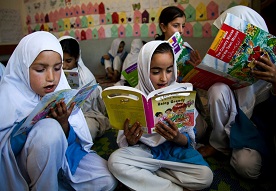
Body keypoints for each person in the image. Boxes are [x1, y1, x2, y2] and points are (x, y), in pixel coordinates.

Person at [0, 31, 118, 191]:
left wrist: (63, 124)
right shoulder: (8, 96)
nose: (51, 78)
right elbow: (5, 151)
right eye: (40, 70)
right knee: (49, 130)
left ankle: (57, 183)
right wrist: (34, 127)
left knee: (107, 180)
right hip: (23, 167)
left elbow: (73, 142)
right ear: (23, 67)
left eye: (57, 68)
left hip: (64, 157)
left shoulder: (61, 89)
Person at [196, 5, 276, 182]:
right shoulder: (228, 58)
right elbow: (217, 95)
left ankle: (236, 146)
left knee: (246, 166)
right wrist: (202, 72)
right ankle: (219, 144)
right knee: (217, 89)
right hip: (235, 117)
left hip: (257, 130)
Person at [108, 41, 213, 191]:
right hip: (145, 153)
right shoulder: (134, 96)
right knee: (115, 161)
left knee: (205, 176)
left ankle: (149, 179)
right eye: (156, 72)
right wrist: (130, 140)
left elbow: (190, 138)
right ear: (144, 70)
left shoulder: (181, 93)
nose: (164, 78)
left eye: (169, 70)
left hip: (175, 153)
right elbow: (125, 142)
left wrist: (178, 137)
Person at [155, 5, 208, 142]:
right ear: (163, 27)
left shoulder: (186, 49)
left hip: (185, 103)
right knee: (159, 134)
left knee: (200, 132)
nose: (181, 31)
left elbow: (199, 86)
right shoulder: (153, 52)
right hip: (162, 103)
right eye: (175, 25)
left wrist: (199, 70)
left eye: (183, 26)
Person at [59, 35, 110, 139]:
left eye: (68, 61)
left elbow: (90, 106)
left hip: (86, 114)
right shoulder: (54, 73)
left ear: (77, 58)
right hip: (62, 114)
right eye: (61, 61)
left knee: (87, 130)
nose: (64, 66)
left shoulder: (86, 77)